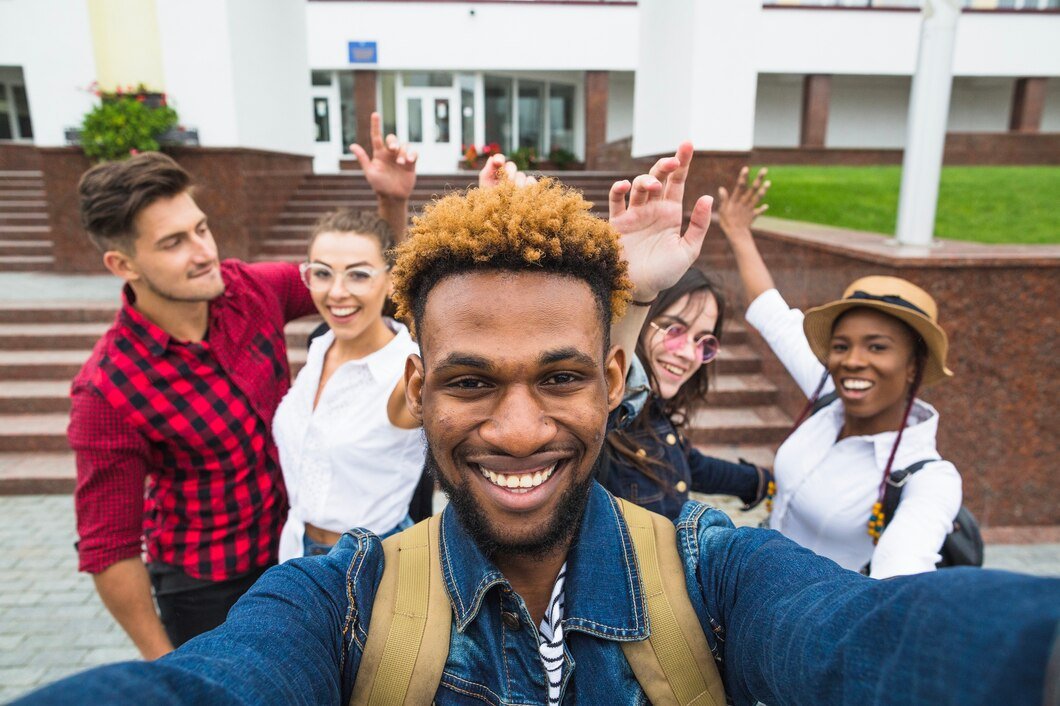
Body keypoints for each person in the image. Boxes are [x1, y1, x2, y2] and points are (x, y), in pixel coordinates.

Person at [28, 153, 1059, 706]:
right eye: (471, 380)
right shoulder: (333, 598)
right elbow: (218, 681)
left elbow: (871, 641)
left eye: (560, 375)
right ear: (420, 386)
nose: (518, 429)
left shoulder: (718, 576)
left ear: (613, 376)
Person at [67, 115, 417, 658]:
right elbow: (109, 549)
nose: (204, 250)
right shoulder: (107, 389)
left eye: (201, 228)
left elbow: (360, 289)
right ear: (123, 264)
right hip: (207, 586)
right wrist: (168, 666)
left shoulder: (248, 290)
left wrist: (391, 206)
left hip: (293, 554)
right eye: (174, 242)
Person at [717, 167, 962, 578]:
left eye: (877, 347)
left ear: (913, 366)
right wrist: (738, 233)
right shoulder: (829, 390)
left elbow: (902, 574)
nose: (852, 361)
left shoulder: (928, 477)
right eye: (842, 345)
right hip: (754, 590)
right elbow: (772, 313)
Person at [273, 210, 420, 560]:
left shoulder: (408, 370)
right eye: (322, 273)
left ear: (391, 280)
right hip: (295, 550)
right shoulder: (322, 345)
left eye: (358, 275)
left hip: (367, 564)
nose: (337, 292)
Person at [601, 267, 770, 519]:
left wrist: (761, 482)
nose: (689, 354)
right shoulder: (606, 416)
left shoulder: (653, 411)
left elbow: (690, 464)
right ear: (641, 322)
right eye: (674, 330)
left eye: (703, 341)